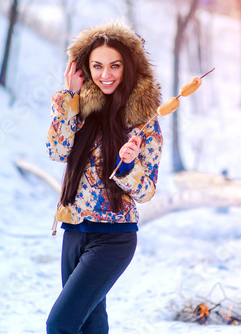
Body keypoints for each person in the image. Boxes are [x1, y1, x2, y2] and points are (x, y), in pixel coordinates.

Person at [45, 22, 163, 334]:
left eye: (115, 66)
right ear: (84, 67)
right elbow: (57, 151)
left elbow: (147, 190)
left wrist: (126, 166)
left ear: (129, 66)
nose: (106, 75)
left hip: (114, 237)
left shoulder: (143, 120)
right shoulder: (78, 109)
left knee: (60, 324)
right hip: (74, 230)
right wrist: (69, 99)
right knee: (90, 327)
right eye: (97, 66)